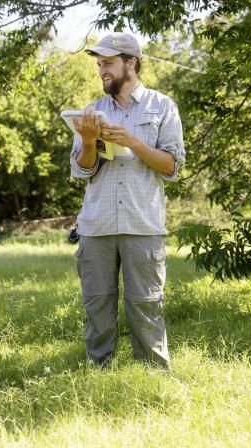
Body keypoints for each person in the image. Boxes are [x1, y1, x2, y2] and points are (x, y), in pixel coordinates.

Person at [70, 32, 186, 369]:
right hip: (97, 225)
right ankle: (100, 372)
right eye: (99, 64)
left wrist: (134, 142)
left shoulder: (163, 107)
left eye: (108, 63)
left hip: (142, 223)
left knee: (146, 304)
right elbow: (81, 172)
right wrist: (89, 142)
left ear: (130, 63)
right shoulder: (90, 113)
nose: (101, 70)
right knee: (97, 305)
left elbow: (171, 167)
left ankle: (152, 376)